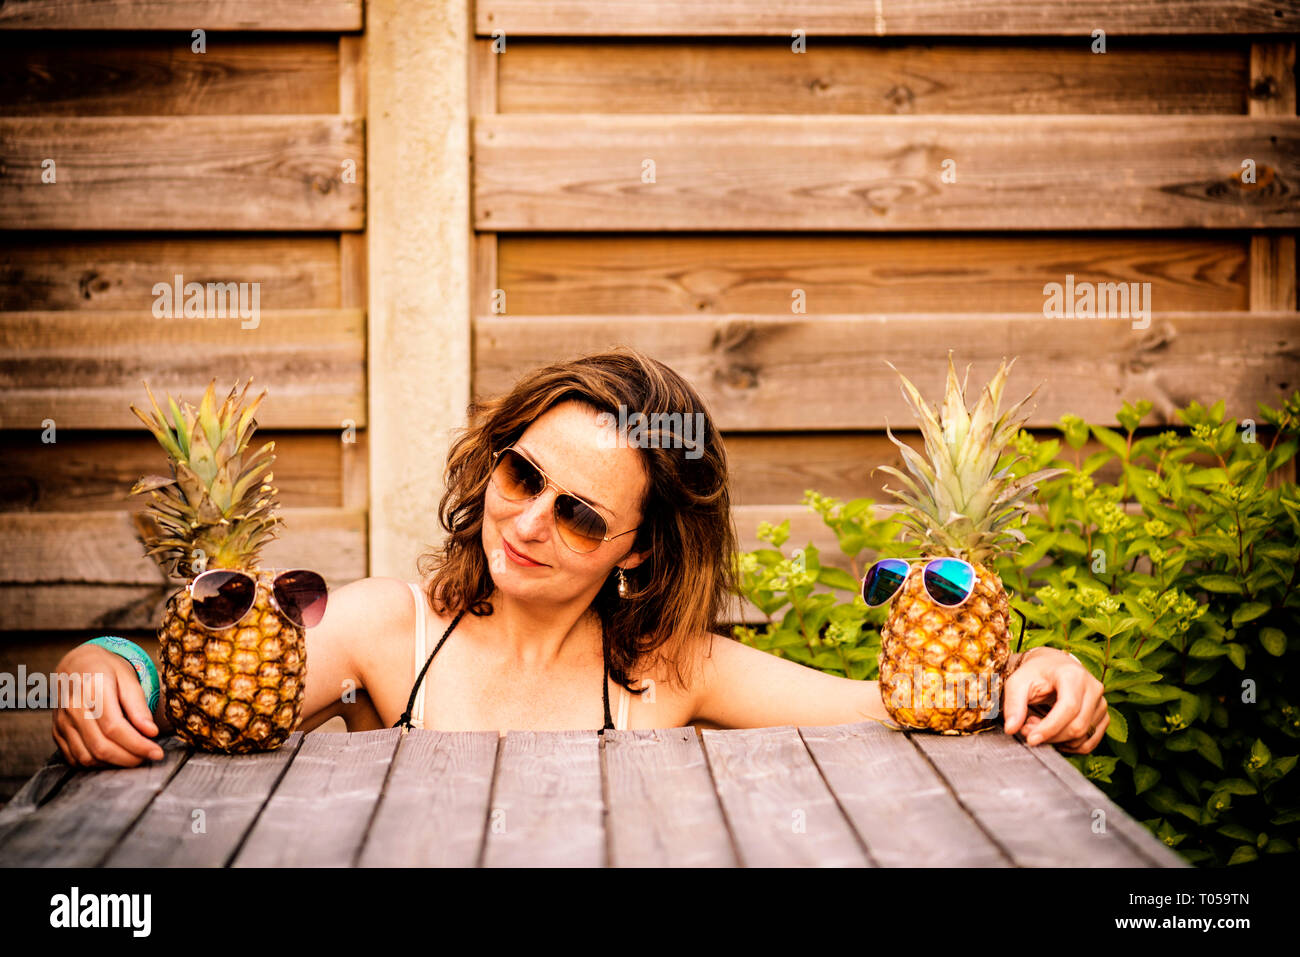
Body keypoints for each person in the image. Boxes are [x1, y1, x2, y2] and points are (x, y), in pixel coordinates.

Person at [51, 348, 1108, 768]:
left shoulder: (669, 670)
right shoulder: (389, 629)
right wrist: (108, 664)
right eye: (520, 477)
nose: (526, 523)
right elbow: (209, 700)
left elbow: (883, 705)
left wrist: (1025, 673)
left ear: (640, 547)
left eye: (580, 516)